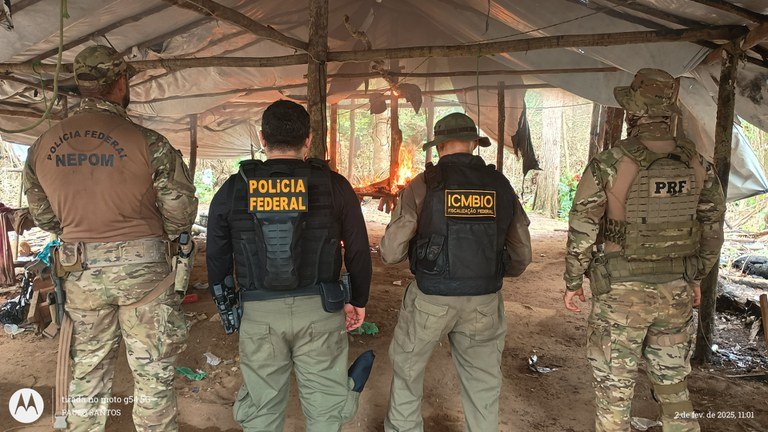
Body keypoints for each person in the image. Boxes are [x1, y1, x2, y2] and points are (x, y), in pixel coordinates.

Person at [23, 45, 198, 431]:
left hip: (81, 274)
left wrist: (81, 230)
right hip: (144, 276)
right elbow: (181, 211)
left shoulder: (41, 147)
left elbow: (44, 216)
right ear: (120, 83)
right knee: (152, 378)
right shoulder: (149, 143)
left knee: (88, 374)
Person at [563, 68, 725, 432]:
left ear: (634, 112)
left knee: (614, 392)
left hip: (621, 294)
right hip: (676, 291)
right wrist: (695, 276)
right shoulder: (698, 164)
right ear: (667, 112)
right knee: (674, 387)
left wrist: (573, 282)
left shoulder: (609, 162)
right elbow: (713, 229)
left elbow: (583, 227)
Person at [205, 100, 374, 432]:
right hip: (321, 310)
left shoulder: (234, 188)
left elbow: (216, 256)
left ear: (262, 138)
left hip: (259, 314)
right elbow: (358, 250)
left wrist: (227, 307)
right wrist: (359, 300)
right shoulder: (335, 185)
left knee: (261, 414)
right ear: (308, 139)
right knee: (326, 412)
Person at [380, 112, 532, 431]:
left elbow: (391, 253)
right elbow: (522, 253)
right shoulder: (500, 185)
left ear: (439, 146)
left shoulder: (423, 185)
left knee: (408, 372)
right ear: (474, 144)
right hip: (484, 302)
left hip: (430, 300)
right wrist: (492, 273)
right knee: (483, 385)